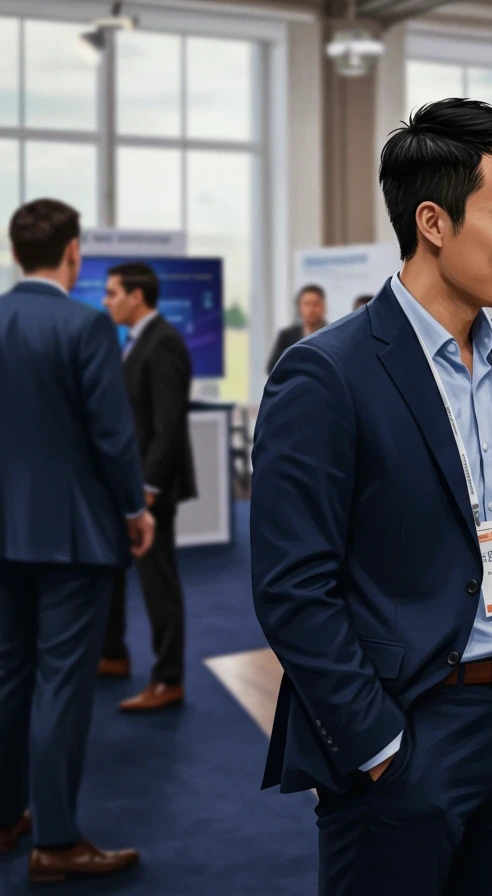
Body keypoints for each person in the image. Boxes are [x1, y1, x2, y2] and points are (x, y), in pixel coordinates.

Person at [251, 98, 492, 895]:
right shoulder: (327, 374)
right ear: (433, 221)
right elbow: (293, 588)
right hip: (409, 737)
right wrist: (380, 744)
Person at [0, 199, 153, 882]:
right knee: (63, 684)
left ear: (13, 253)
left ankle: (8, 815)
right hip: (72, 535)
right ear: (72, 253)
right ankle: (56, 840)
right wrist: (134, 510)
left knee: (7, 676)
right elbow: (112, 437)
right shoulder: (86, 324)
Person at [98, 261, 198, 712]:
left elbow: (168, 427)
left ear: (137, 296)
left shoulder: (164, 343)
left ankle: (169, 679)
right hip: (131, 485)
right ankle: (112, 654)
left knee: (158, 581)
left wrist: (149, 490)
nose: (106, 301)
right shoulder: (138, 341)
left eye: (113, 293)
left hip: (150, 490)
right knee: (115, 571)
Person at [266, 283, 327, 373]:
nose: (311, 309)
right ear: (299, 308)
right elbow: (272, 368)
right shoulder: (287, 336)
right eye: (306, 304)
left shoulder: (333, 334)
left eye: (315, 304)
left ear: (324, 307)